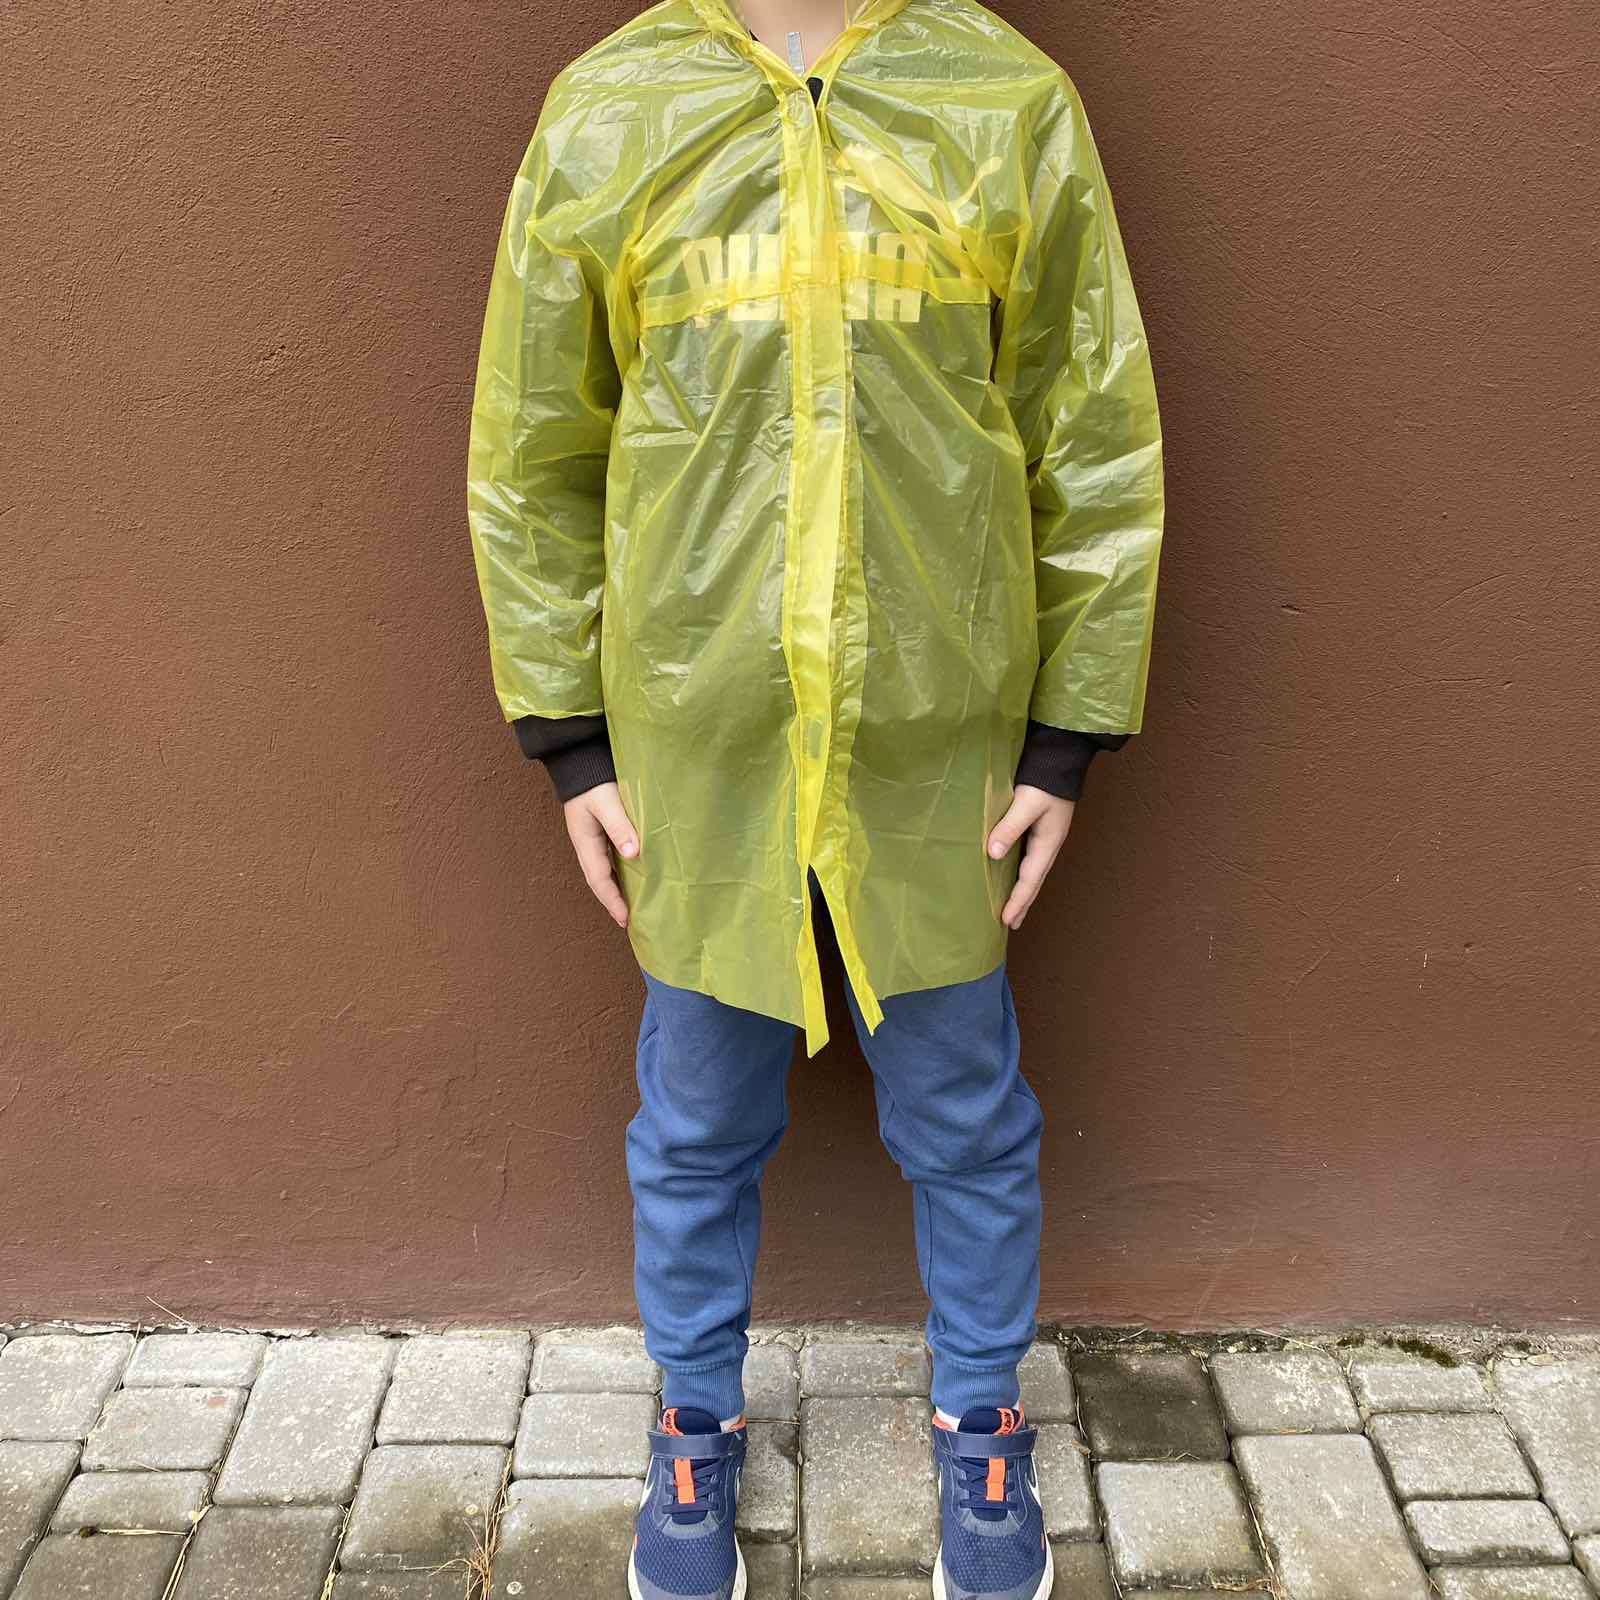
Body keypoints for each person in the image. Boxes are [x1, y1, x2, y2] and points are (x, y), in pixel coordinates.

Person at [466, 0, 1163, 1591]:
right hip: (700, 743)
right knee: (696, 1119)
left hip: (936, 737)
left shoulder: (1004, 100)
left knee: (967, 1114)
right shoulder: (613, 108)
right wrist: (571, 738)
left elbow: (1092, 430)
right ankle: (692, 1420)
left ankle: (981, 1417)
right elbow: (535, 447)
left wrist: (1066, 733)